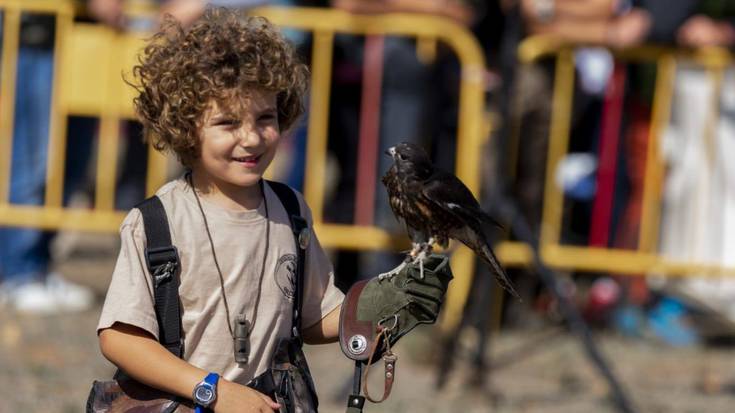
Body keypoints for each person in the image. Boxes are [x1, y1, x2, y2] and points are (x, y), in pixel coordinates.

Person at [96, 8, 451, 412]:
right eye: (228, 123)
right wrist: (214, 390)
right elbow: (120, 338)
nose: (251, 138)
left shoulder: (291, 209)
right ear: (185, 126)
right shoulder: (157, 222)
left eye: (265, 118)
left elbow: (314, 316)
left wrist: (380, 304)